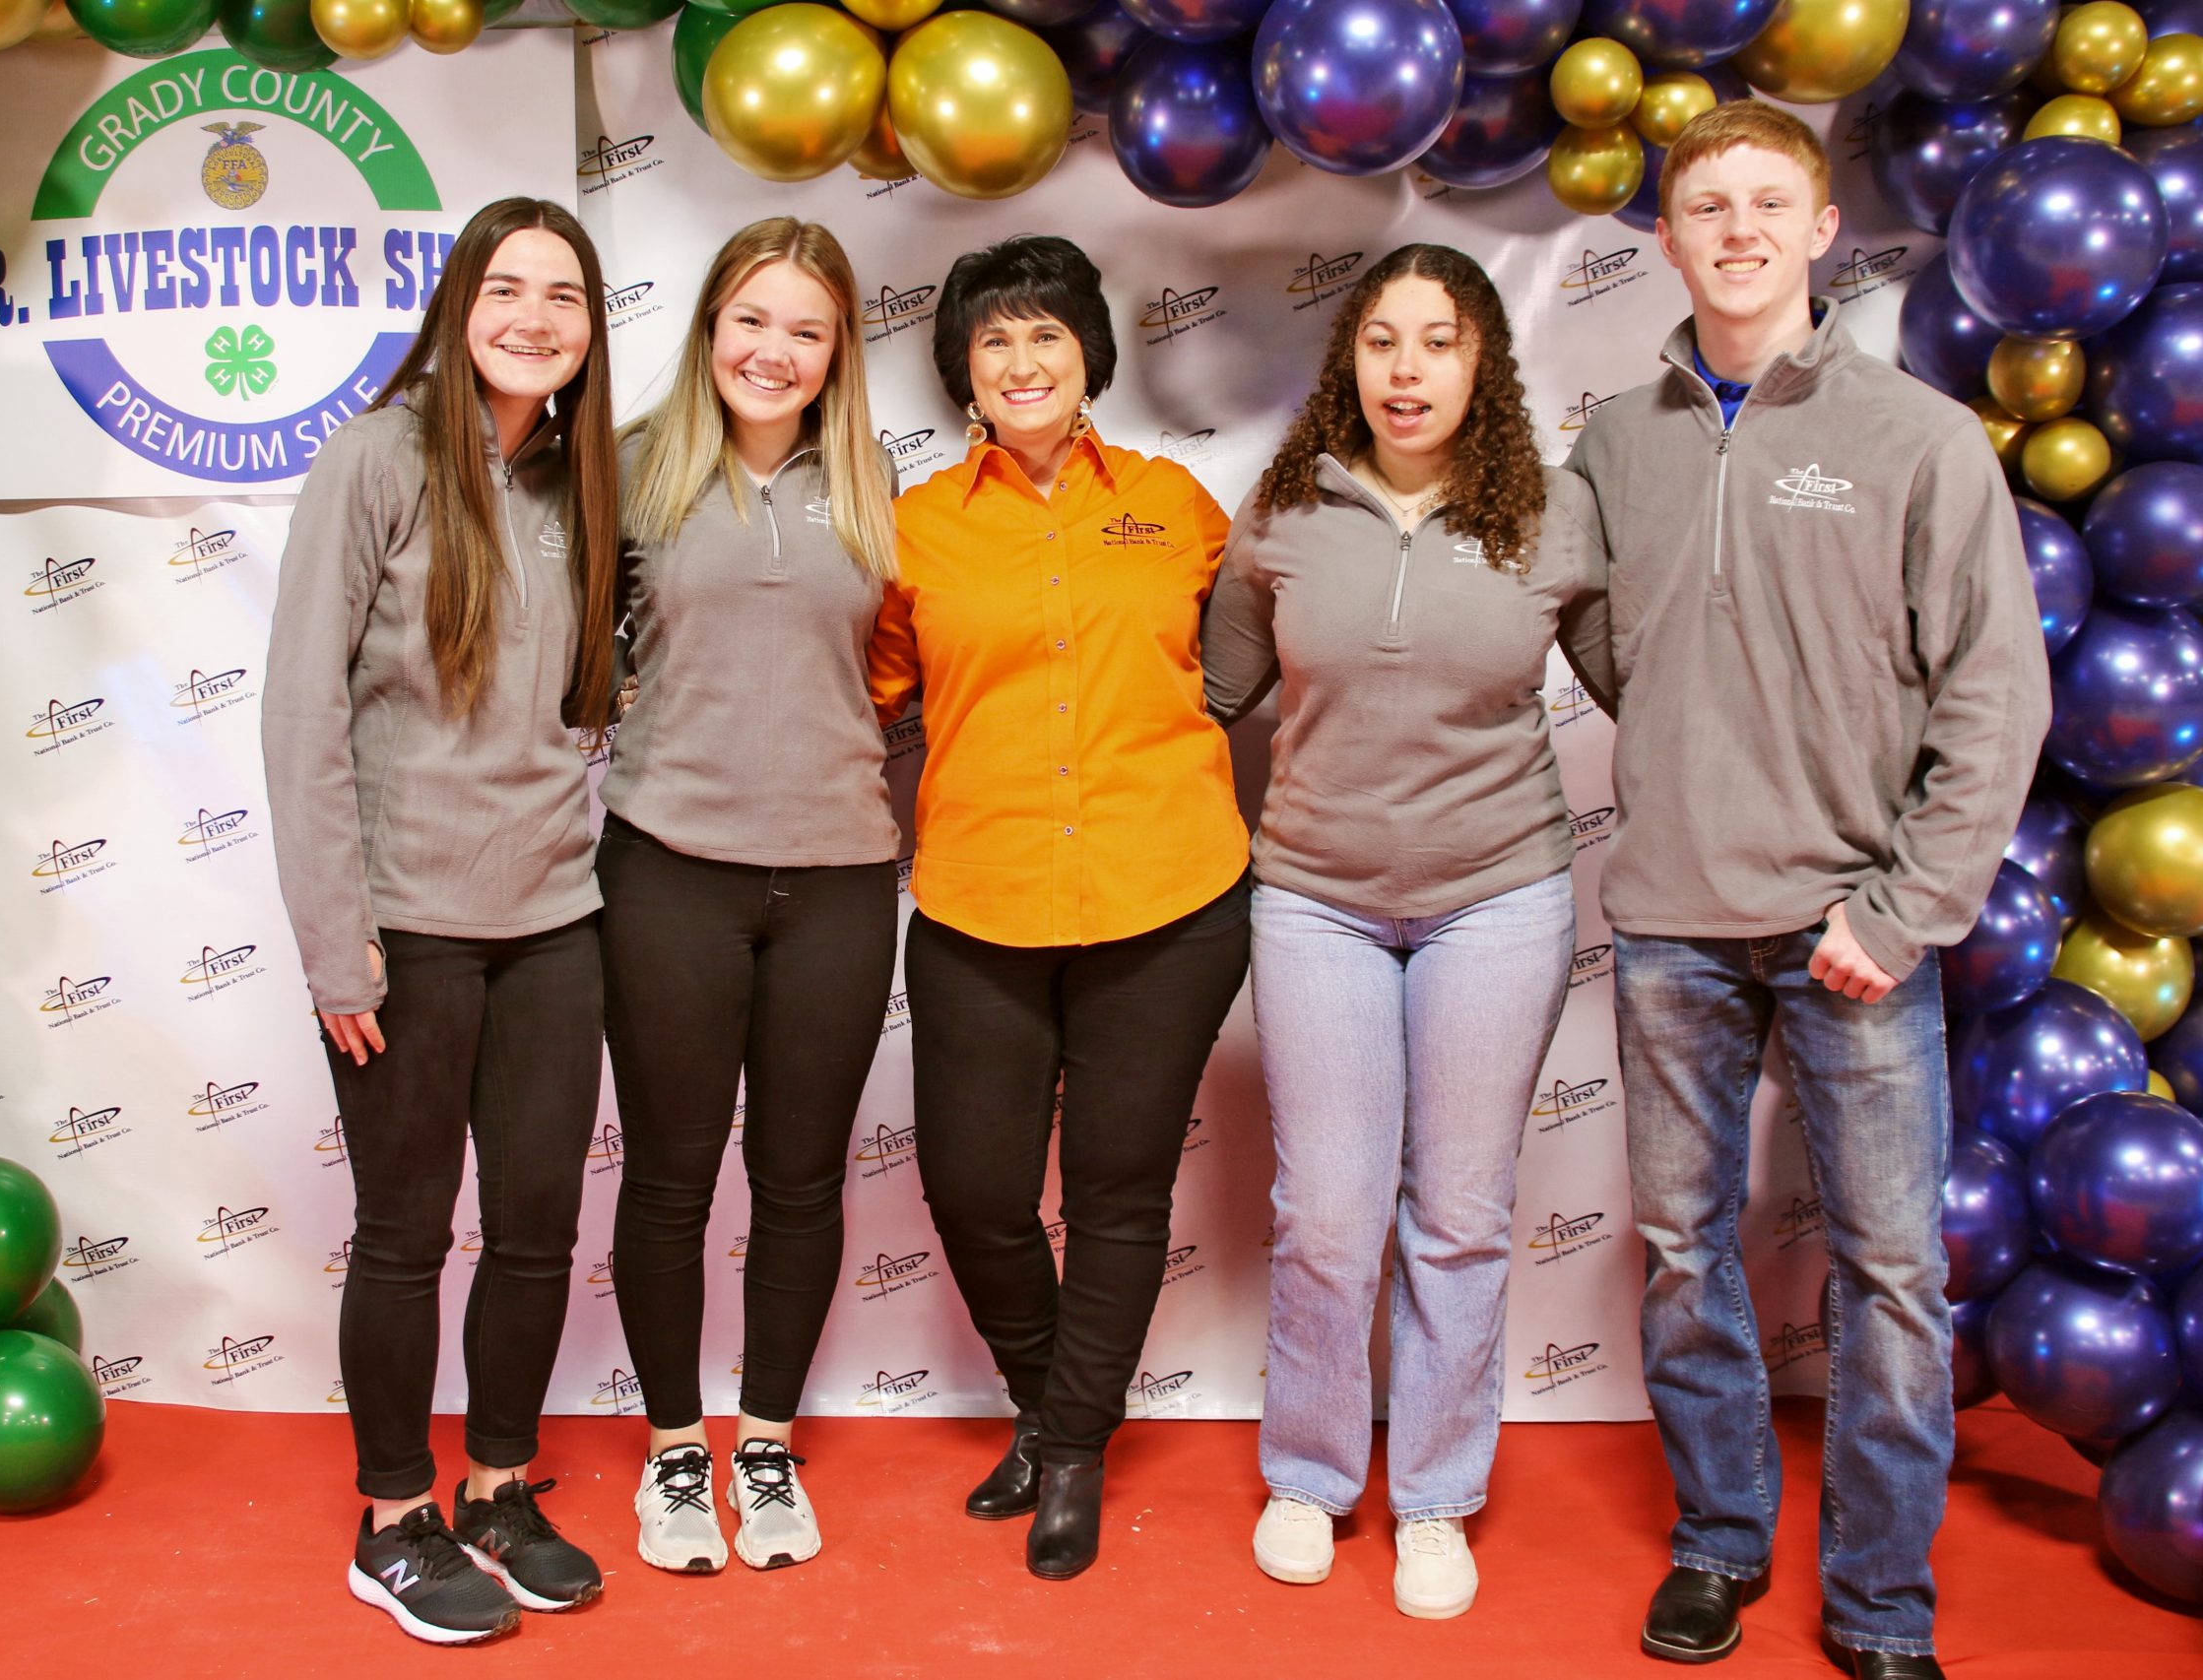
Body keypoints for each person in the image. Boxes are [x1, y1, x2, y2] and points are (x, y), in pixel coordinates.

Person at [1565, 103, 2047, 1679]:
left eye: (1770, 202)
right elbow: (1601, 636)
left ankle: (1882, 1601)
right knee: (1684, 1249)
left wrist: (1899, 911)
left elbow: (1997, 696)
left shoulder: (1921, 436)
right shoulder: (1614, 441)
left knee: (1893, 1274)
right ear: (1667, 237)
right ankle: (1717, 1540)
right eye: (1708, 206)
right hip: (1670, 921)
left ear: (1824, 230)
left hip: (1857, 926)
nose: (1739, 230)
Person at [1201, 243, 1615, 1619]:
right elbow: (1201, 699)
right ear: (1351, 360)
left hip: (1498, 894)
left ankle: (1435, 1495)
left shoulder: (1550, 512)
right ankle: (1311, 1476)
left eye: (1440, 341)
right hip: (1314, 898)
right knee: (1327, 1214)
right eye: (1383, 340)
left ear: (1483, 361)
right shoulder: (1284, 509)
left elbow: (1653, 687)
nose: (1408, 369)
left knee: (1460, 1213)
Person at [261, 197, 621, 1646]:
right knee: (407, 1231)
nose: (536, 319)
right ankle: (394, 1517)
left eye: (565, 297)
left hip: (556, 918)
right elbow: (303, 711)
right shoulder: (377, 459)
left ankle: (498, 1489)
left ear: (592, 329)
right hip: (404, 926)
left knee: (537, 1228)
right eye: (508, 289)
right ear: (460, 304)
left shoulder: (583, 483)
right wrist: (333, 940)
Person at [869, 233, 1251, 1582]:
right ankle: (1047, 1401)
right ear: (962, 371)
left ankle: (1072, 1449)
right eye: (994, 340)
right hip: (981, 901)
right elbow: (864, 693)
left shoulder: (1176, 504)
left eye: (1047, 334)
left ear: (1090, 356)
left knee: (1116, 1191)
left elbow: (1252, 661)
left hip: (1168, 897)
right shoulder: (913, 527)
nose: (1023, 361)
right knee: (975, 1190)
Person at [599, 217, 901, 1576]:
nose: (774, 351)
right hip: (669, 869)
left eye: (807, 329)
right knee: (670, 1175)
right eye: (752, 320)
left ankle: (765, 1439)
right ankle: (676, 1445)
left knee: (799, 1175)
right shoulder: (631, 472)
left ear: (839, 352)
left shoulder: (875, 486)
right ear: (710, 327)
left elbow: (901, 675)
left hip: (839, 879)